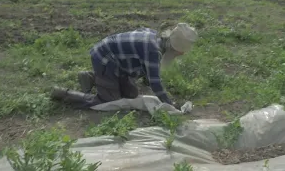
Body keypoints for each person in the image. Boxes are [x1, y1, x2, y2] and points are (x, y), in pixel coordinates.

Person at [51, 23, 198, 108]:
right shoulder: (153, 51)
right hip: (104, 58)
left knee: (131, 94)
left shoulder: (154, 36)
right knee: (109, 101)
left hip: (118, 64)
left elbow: (147, 68)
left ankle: (96, 79)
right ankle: (64, 93)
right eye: (180, 52)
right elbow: (156, 84)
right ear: (174, 49)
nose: (181, 55)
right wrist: (170, 104)